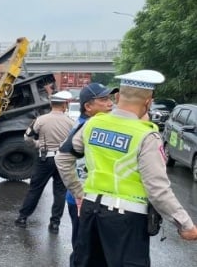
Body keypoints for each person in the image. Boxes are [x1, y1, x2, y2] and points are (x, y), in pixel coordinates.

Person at [56, 70, 197, 266]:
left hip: (90, 212)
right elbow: (157, 188)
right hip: (126, 220)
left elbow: (62, 157)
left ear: (117, 96)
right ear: (148, 102)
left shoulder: (93, 124)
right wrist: (185, 224)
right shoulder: (146, 136)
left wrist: (79, 192)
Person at [56, 83, 117, 265]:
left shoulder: (93, 125)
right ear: (88, 107)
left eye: (110, 99)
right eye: (104, 99)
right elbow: (62, 160)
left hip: (92, 201)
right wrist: (79, 194)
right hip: (82, 202)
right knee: (83, 251)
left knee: (88, 250)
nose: (110, 104)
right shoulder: (86, 127)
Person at [14, 90, 74, 233]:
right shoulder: (71, 122)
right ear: (65, 105)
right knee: (60, 192)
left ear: (51, 104)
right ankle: (54, 224)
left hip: (44, 158)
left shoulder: (41, 120)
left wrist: (38, 145)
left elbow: (27, 138)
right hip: (63, 160)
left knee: (35, 189)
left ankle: (22, 218)